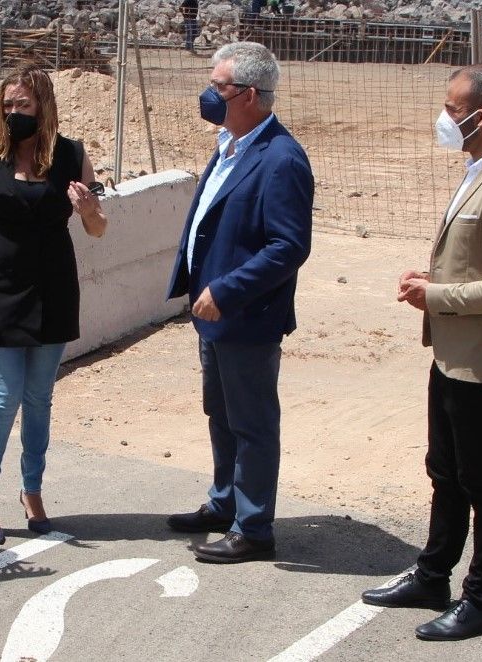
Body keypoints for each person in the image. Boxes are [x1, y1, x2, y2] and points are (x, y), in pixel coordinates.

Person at [361, 63, 482, 642]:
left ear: (481, 117)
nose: (444, 117)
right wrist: (432, 278)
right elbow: (470, 261)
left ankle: (480, 599)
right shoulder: (479, 170)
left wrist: (433, 295)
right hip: (452, 355)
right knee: (445, 471)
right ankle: (433, 574)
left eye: (452, 108)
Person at [0, 65, 107, 544]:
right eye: (7, 105)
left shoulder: (72, 154)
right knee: (3, 397)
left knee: (39, 398)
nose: (13, 113)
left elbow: (97, 227)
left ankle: (32, 490)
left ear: (43, 106)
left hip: (53, 289)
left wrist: (89, 210)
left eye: (22, 105)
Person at [165, 42, 313, 564]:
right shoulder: (231, 143)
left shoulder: (281, 158)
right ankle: (225, 502)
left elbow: (288, 246)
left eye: (218, 86)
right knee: (222, 414)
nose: (208, 95)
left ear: (249, 95)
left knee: (251, 422)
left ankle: (253, 528)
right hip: (213, 315)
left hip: (246, 315)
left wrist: (226, 291)